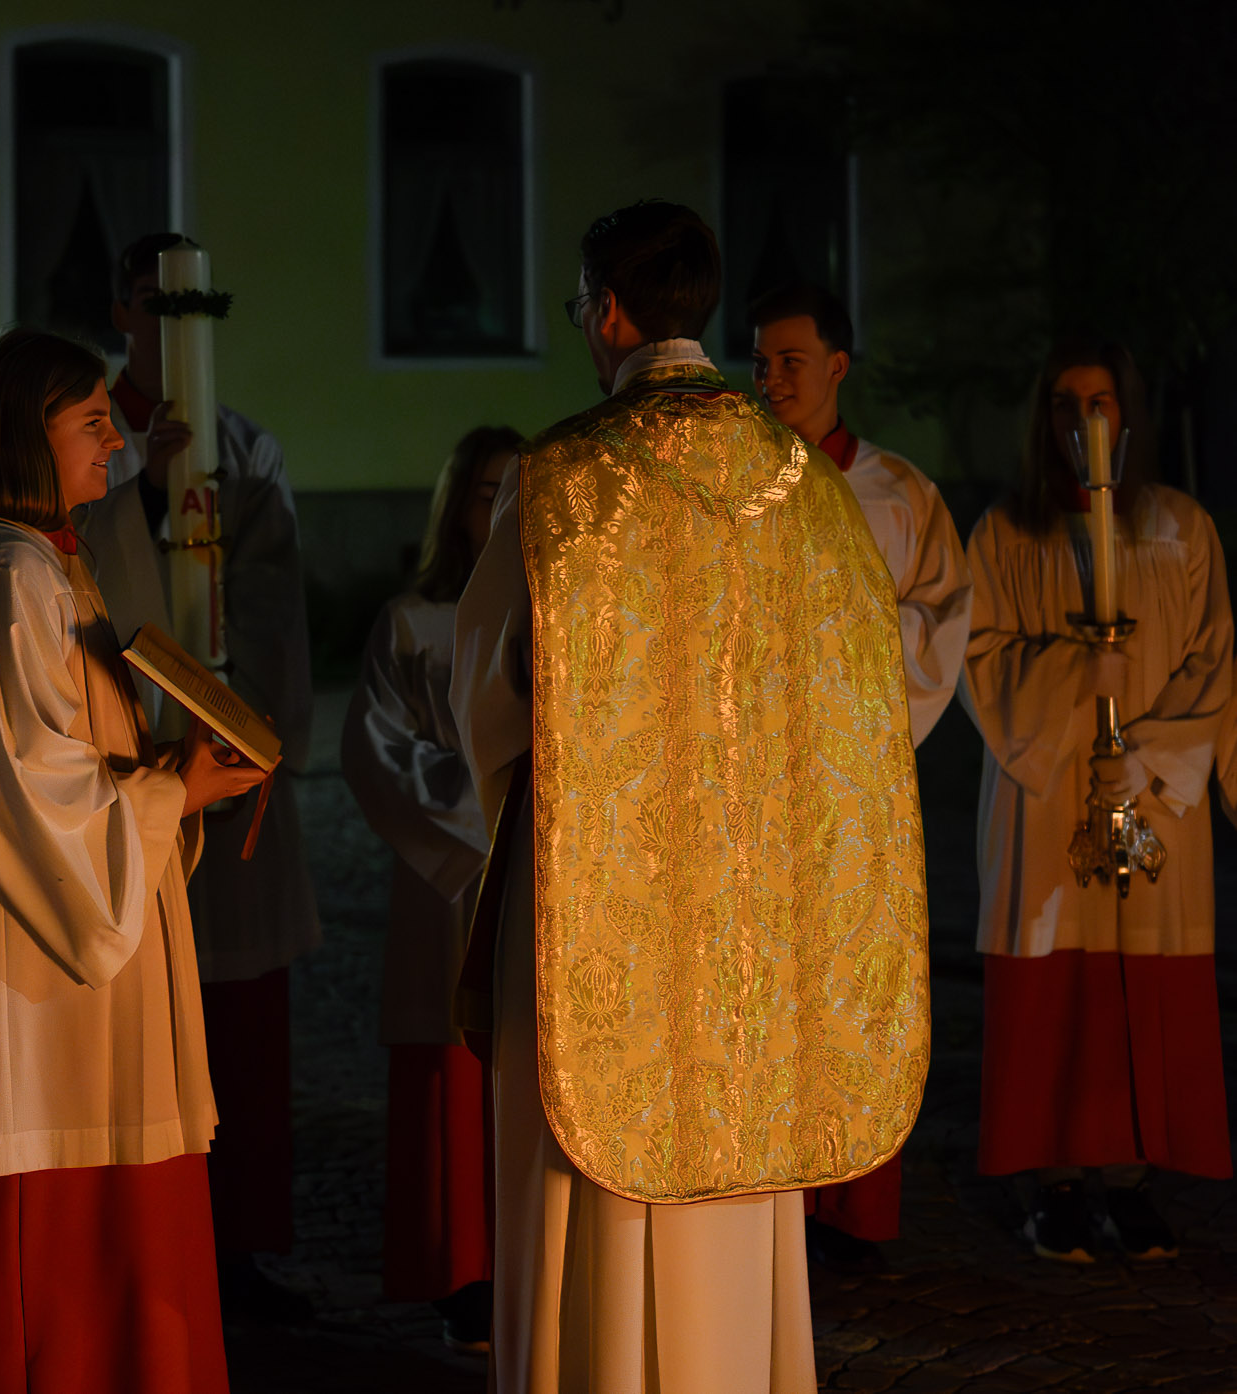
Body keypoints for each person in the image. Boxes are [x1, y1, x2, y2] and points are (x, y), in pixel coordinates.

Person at [452, 201, 929, 1393]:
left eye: (577, 307)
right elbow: (856, 712)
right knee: (737, 1210)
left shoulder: (564, 480)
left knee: (587, 1219)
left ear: (607, 311)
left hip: (596, 907)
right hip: (755, 935)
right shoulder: (808, 493)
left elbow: (492, 697)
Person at [0, 327, 265, 1393]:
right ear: (23, 432)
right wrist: (175, 788)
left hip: (75, 967)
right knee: (49, 1276)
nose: (116, 438)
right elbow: (24, 793)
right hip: (32, 988)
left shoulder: (42, 567)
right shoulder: (7, 578)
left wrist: (179, 771)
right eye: (91, 421)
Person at [77, 231, 321, 1320]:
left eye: (190, 309)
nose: (169, 330)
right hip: (132, 759)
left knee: (242, 1028)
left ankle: (240, 1249)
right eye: (149, 304)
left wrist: (254, 726)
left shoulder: (245, 444)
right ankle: (149, 1247)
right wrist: (143, 483)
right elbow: (79, 573)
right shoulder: (87, 437)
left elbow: (276, 595)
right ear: (121, 312)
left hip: (220, 748)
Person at [959, 339, 1232, 1263]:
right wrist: (1079, 669)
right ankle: (1056, 1183)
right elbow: (982, 660)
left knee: (1139, 993)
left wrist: (1149, 755)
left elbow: (1214, 664)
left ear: (1129, 415)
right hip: (1046, 810)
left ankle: (1130, 1179)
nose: (1085, 423)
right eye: (1066, 405)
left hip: (1150, 800)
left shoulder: (1182, 530)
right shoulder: (1005, 533)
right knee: (1057, 995)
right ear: (1043, 420)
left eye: (1102, 403)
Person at [751, 283, 972, 1272]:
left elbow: (940, 617)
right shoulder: (735, 481)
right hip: (756, 779)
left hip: (859, 784)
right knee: (766, 992)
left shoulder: (898, 493)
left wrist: (863, 713)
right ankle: (770, 1202)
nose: (772, 379)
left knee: (856, 994)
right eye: (760, 362)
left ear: (838, 366)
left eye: (791, 361)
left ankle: (850, 1208)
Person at [341, 424, 518, 1352]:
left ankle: (531, 1258)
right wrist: (479, 806)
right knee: (451, 1067)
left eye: (520, 490)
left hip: (535, 867)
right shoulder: (412, 621)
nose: (506, 508)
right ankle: (461, 1269)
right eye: (491, 491)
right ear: (457, 506)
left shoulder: (559, 610)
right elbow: (375, 749)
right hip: (445, 874)